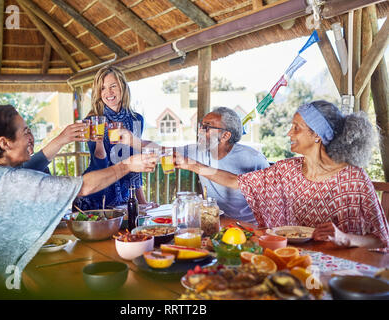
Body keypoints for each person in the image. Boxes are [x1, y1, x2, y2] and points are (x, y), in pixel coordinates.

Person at [0, 105, 156, 288]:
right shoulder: (15, 181)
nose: (30, 137)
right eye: (25, 132)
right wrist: (127, 165)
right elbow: (84, 187)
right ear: (5, 143)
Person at [175, 100, 389, 248]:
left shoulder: (354, 179)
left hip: (346, 269)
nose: (288, 133)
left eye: (296, 128)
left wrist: (347, 239)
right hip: (297, 258)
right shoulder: (287, 170)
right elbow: (234, 181)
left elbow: (381, 239)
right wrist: (193, 165)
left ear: (317, 135)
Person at [119, 107, 269, 223]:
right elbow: (163, 150)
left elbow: (270, 198)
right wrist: (132, 140)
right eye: (200, 126)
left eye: (207, 127)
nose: (200, 131)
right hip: (213, 222)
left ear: (225, 135)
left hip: (247, 227)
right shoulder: (197, 150)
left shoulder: (254, 159)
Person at [73, 66, 151, 211]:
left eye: (113, 86)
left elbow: (135, 165)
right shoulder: (92, 121)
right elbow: (99, 164)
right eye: (102, 88)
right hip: (95, 195)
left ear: (123, 87)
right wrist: (99, 140)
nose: (108, 92)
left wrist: (142, 202)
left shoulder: (136, 120)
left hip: (126, 198)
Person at [20, 122, 88, 174]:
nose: (29, 137)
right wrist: (61, 139)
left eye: (29, 132)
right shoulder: (16, 172)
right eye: (23, 134)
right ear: (9, 143)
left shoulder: (40, 166)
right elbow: (29, 167)